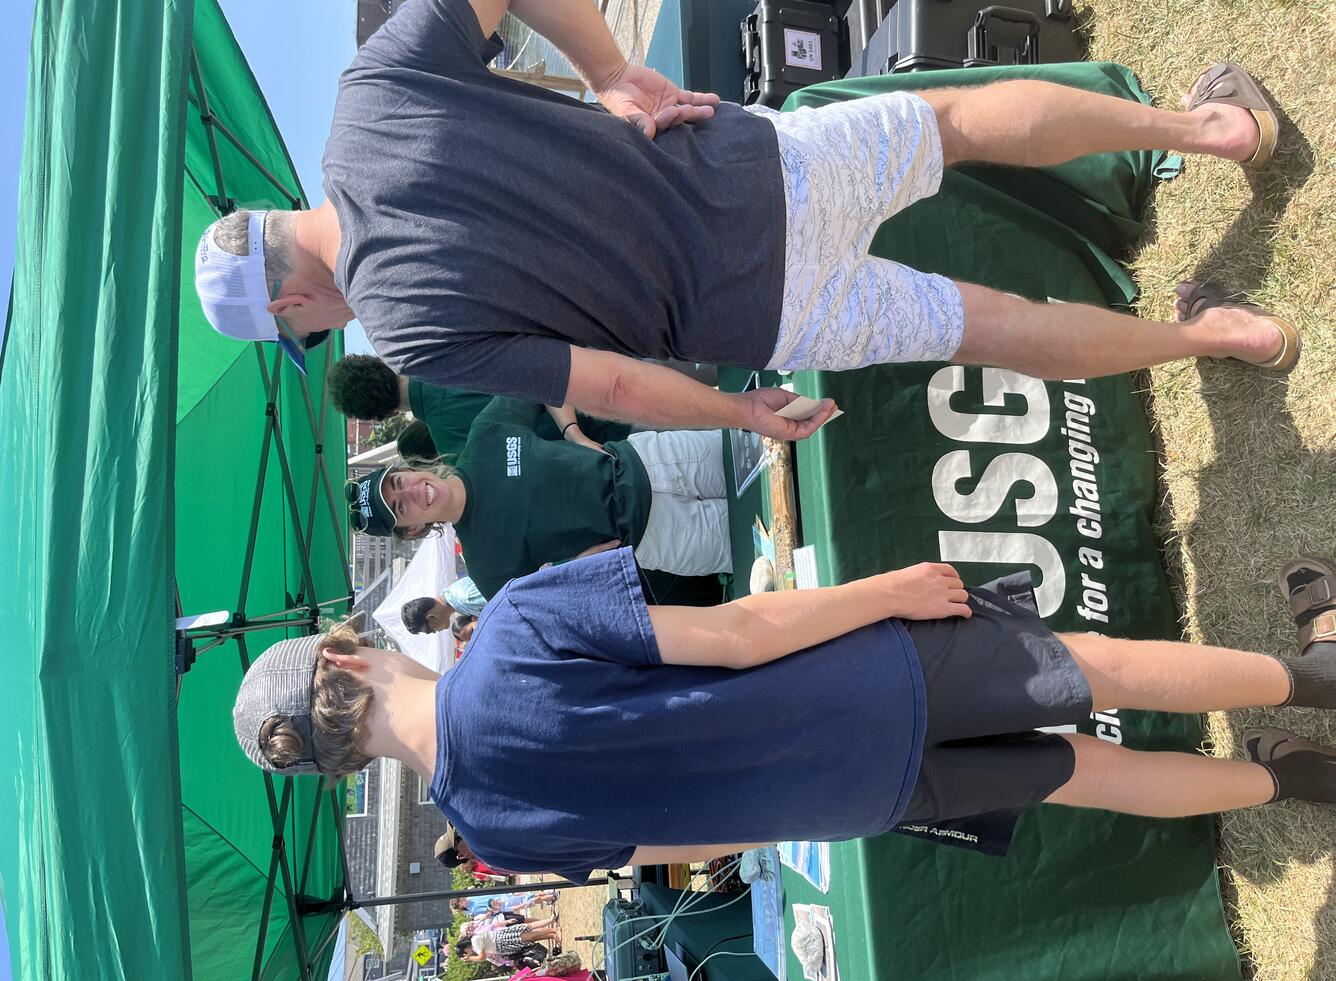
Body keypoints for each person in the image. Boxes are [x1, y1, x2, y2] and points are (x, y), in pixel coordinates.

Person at [193, 0, 1298, 439]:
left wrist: (740, 422)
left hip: (763, 311)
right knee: (959, 119)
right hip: (757, 171)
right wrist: (617, 70)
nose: (324, 330)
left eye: (306, 328)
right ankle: (1218, 135)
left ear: (292, 299)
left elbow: (611, 387)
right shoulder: (365, 101)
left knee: (991, 326)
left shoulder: (415, 333)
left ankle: (1222, 338)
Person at [232, 549, 1336, 882]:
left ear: (337, 768)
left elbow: (691, 847)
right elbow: (736, 633)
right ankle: (1317, 672)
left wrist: (800, 795)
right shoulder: (510, 625)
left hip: (850, 796)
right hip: (861, 684)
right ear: (347, 656)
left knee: (1079, 773)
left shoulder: (492, 837)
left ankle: (1295, 778)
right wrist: (883, 594)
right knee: (1094, 671)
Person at [345, 396, 732, 597]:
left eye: (399, 482)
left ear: (408, 469)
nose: (412, 492)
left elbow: (538, 380)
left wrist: (572, 432)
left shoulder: (486, 434)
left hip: (654, 457)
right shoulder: (486, 569)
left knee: (764, 451)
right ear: (411, 531)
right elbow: (548, 606)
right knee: (767, 543)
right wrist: (577, 569)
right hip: (658, 535)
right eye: (400, 507)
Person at [328, 354, 631, 457]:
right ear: (383, 364)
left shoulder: (450, 451)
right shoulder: (444, 345)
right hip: (602, 371)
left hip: (609, 449)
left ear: (383, 415)